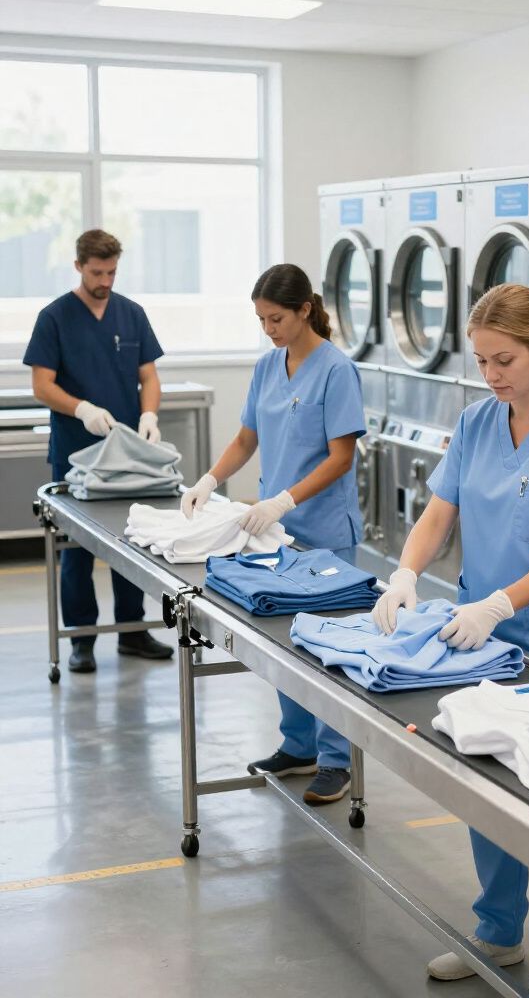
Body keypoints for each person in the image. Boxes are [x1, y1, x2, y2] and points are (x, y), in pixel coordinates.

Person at [372, 283, 529, 998]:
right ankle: (501, 931)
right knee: (491, 789)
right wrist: (406, 572)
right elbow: (437, 512)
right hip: (480, 642)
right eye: (481, 361)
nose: (492, 375)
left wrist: (500, 604)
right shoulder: (479, 423)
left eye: (504, 359)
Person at [179, 263, 365, 806]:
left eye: (276, 318)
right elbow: (245, 437)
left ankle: (336, 760)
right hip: (274, 534)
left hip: (324, 529)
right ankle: (298, 746)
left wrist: (285, 498)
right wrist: (211, 480)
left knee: (327, 646)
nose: (269, 329)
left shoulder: (336, 370)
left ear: (305, 309)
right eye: (261, 320)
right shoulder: (267, 367)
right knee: (285, 644)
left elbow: (341, 456)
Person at [24, 228, 174, 673]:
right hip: (76, 453)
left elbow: (148, 375)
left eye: (111, 272)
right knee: (77, 549)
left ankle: (132, 632)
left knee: (131, 542)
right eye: (96, 272)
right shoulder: (55, 318)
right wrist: (81, 408)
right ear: (78, 267)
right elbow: (41, 385)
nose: (104, 280)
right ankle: (81, 639)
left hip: (127, 453)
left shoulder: (131, 314)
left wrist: (149, 415)